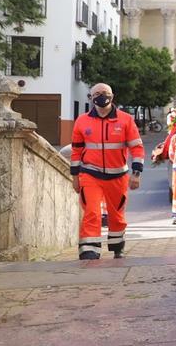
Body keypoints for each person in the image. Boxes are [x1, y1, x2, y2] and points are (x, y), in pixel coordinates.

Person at [70, 83, 144, 260]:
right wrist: (74, 177)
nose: (101, 96)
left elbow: (137, 148)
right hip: (90, 174)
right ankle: (89, 250)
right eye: (97, 93)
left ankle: (117, 246)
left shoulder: (126, 120)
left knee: (116, 215)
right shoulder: (82, 121)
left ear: (112, 96)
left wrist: (136, 173)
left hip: (118, 176)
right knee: (92, 212)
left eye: (105, 93)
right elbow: (76, 151)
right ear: (91, 98)